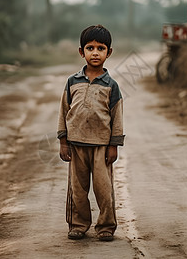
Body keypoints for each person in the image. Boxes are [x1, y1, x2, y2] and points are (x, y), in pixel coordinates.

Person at [57, 25, 125, 242]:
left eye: (101, 48)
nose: (95, 53)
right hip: (76, 145)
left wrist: (114, 145)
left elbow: (117, 117)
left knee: (104, 190)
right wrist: (63, 141)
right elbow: (64, 111)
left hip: (101, 147)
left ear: (109, 52)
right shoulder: (72, 82)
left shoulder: (111, 86)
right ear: (81, 52)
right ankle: (78, 225)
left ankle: (105, 226)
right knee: (77, 190)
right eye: (90, 48)